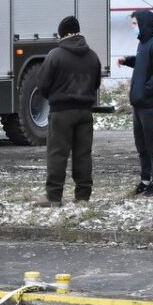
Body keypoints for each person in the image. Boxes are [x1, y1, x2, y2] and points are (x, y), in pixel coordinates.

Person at [36, 16, 101, 207]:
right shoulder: (93, 56)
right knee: (83, 154)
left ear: (62, 34)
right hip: (85, 112)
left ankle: (53, 196)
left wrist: (54, 96)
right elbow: (96, 83)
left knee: (57, 154)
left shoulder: (55, 55)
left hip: (61, 112)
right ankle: (83, 196)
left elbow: (42, 85)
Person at [118, 10, 153, 197]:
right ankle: (145, 179)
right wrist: (128, 60)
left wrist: (145, 92)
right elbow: (141, 63)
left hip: (149, 105)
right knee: (141, 146)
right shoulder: (143, 44)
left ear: (144, 24)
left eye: (134, 24)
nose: (133, 27)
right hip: (138, 106)